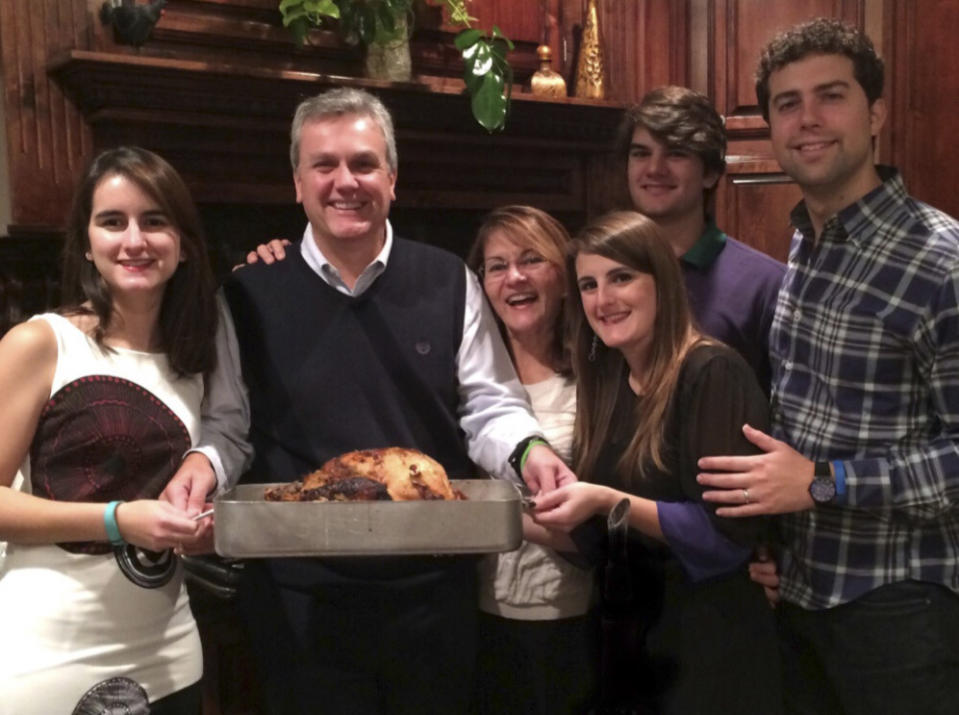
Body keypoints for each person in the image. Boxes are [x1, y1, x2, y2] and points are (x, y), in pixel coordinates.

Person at [163, 87, 575, 715]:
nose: (344, 181)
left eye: (363, 163)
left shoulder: (448, 280)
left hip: (434, 588)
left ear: (392, 177)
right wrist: (201, 466)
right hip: (300, 596)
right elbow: (229, 427)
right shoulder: (248, 293)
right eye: (323, 165)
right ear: (297, 182)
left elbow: (489, 406)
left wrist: (530, 450)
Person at [697, 18, 959, 715]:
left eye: (830, 96)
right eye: (786, 103)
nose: (806, 119)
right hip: (798, 591)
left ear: (873, 113)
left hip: (899, 609)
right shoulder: (805, 244)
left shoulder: (943, 262)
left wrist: (822, 482)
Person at [531, 210, 782, 714]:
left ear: (662, 281)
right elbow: (601, 540)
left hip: (709, 646)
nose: (603, 300)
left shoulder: (712, 373)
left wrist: (604, 499)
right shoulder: (607, 382)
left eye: (621, 277)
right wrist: (503, 521)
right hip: (630, 643)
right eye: (588, 284)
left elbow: (723, 540)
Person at [0, 147, 218, 713]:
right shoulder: (42, 343)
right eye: (112, 221)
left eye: (154, 221)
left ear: (185, 243)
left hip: (170, 654)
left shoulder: (195, 363)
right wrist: (117, 520)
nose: (134, 241)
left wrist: (202, 531)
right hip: (47, 658)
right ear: (88, 243)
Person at [464, 206, 596, 715]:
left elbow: (608, 522)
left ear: (564, 276)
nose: (513, 277)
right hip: (473, 614)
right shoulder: (467, 380)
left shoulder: (599, 376)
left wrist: (489, 516)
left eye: (530, 260)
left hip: (576, 619)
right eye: (496, 266)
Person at [621, 85, 785, 392]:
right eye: (641, 153)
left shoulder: (765, 284)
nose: (655, 169)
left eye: (676, 153)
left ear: (710, 173)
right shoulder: (602, 275)